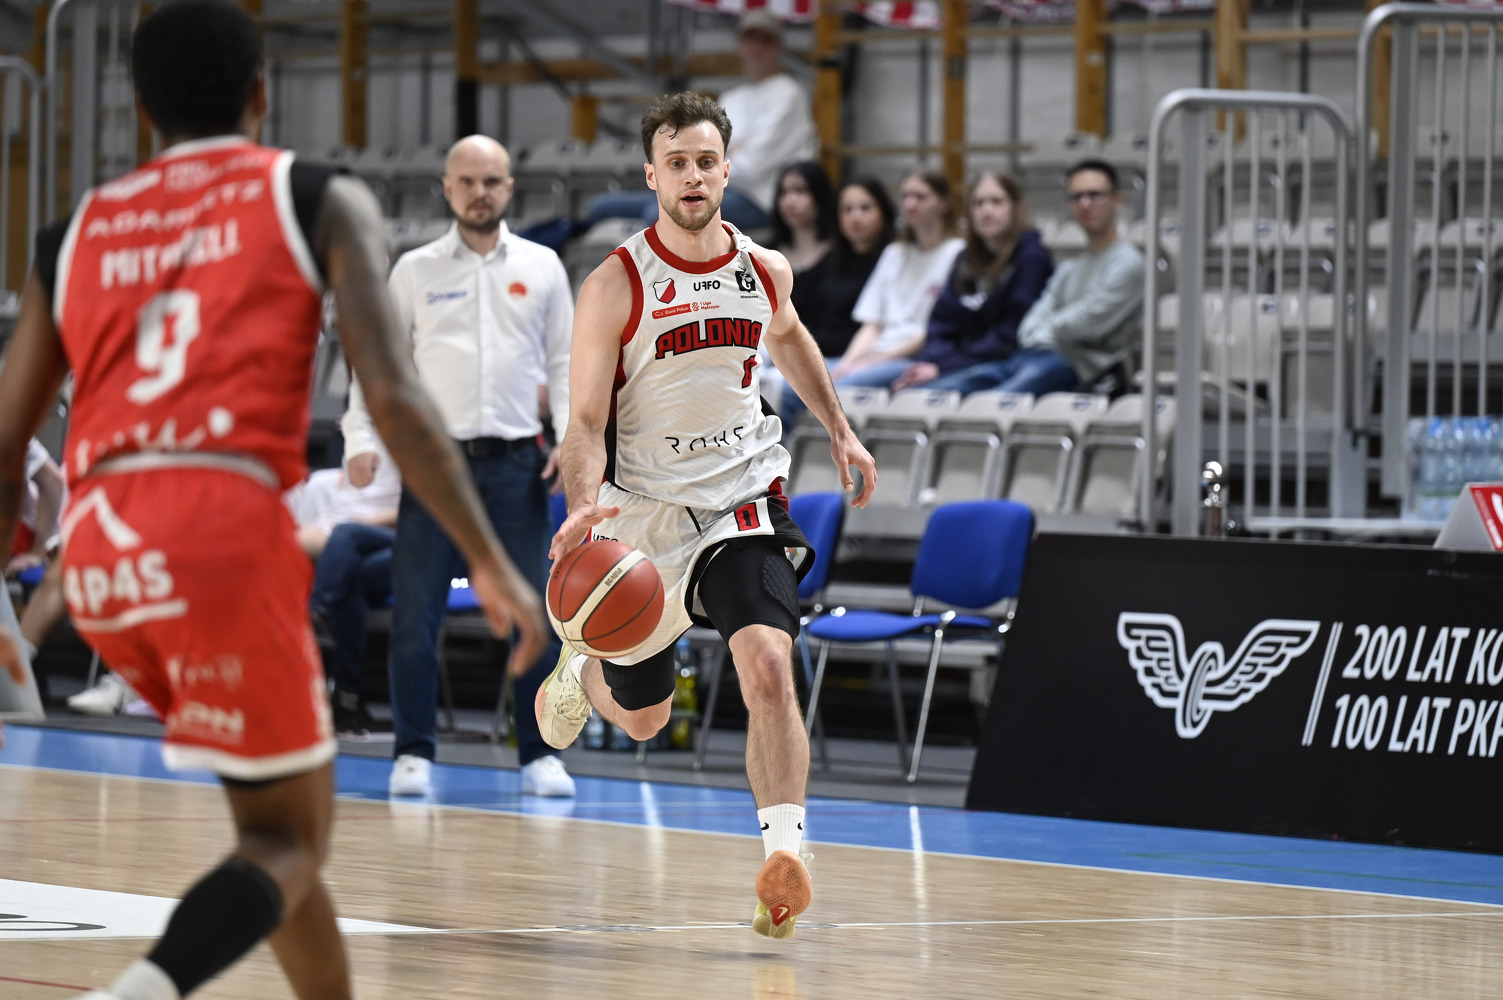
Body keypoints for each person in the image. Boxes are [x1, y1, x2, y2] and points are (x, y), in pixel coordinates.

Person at [0, 6, 547, 1000]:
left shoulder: (68, 232)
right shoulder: (314, 195)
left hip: (103, 553)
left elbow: (5, 443)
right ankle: (140, 992)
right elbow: (395, 397)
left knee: (276, 838)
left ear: (141, 107)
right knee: (288, 841)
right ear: (263, 94)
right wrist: (488, 555)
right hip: (220, 532)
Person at [537, 91, 876, 941]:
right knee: (645, 720)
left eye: (705, 161)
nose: (692, 176)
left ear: (726, 171)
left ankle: (784, 856)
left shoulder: (762, 269)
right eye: (675, 163)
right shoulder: (614, 282)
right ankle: (581, 671)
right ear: (651, 176)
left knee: (769, 665)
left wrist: (840, 429)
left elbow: (788, 336)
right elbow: (583, 421)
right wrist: (582, 504)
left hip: (740, 502)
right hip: (643, 516)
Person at [342, 133, 578, 799]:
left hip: (518, 466)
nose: (480, 193)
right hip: (434, 469)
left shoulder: (543, 266)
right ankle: (412, 751)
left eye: (492, 181)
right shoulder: (413, 270)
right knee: (416, 616)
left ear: (510, 188)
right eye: (467, 181)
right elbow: (378, 363)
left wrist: (569, 440)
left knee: (536, 615)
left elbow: (565, 364)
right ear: (446, 189)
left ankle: (539, 755)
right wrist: (359, 438)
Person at [521, 10, 817, 248]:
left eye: (765, 39)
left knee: (657, 213)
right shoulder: (733, 97)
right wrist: (725, 155)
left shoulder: (788, 93)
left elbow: (750, 167)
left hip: (757, 200)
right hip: (706, 188)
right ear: (740, 43)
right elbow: (711, 153)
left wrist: (719, 159)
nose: (756, 47)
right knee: (601, 206)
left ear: (777, 46)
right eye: (750, 38)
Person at [781, 169, 962, 423]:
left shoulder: (957, 254)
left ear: (943, 203)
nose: (911, 204)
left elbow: (927, 333)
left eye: (920, 197)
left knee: (832, 392)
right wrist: (848, 364)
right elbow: (872, 325)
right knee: (789, 388)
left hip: (909, 358)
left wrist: (869, 363)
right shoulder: (895, 253)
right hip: (875, 354)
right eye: (906, 196)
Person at [958, 159, 1145, 395]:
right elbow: (1030, 322)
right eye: (1076, 197)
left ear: (1117, 199)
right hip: (1031, 356)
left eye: (1094, 195)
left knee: (991, 403)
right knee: (941, 391)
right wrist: (1042, 332)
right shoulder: (1069, 268)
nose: (1085, 204)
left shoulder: (1129, 263)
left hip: (1081, 368)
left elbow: (1090, 323)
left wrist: (1044, 330)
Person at [891, 172, 1054, 392]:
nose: (986, 210)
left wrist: (944, 366)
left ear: (1017, 209)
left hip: (1006, 362)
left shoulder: (1032, 258)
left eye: (996, 202)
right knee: (904, 392)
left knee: (921, 396)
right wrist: (937, 361)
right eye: (978, 203)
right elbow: (940, 323)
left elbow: (1011, 333)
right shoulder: (965, 259)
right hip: (959, 363)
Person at [757, 162, 838, 402]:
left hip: (819, 353)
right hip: (768, 352)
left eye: (801, 191)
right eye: (784, 192)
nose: (790, 200)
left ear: (819, 196)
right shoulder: (764, 253)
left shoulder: (840, 255)